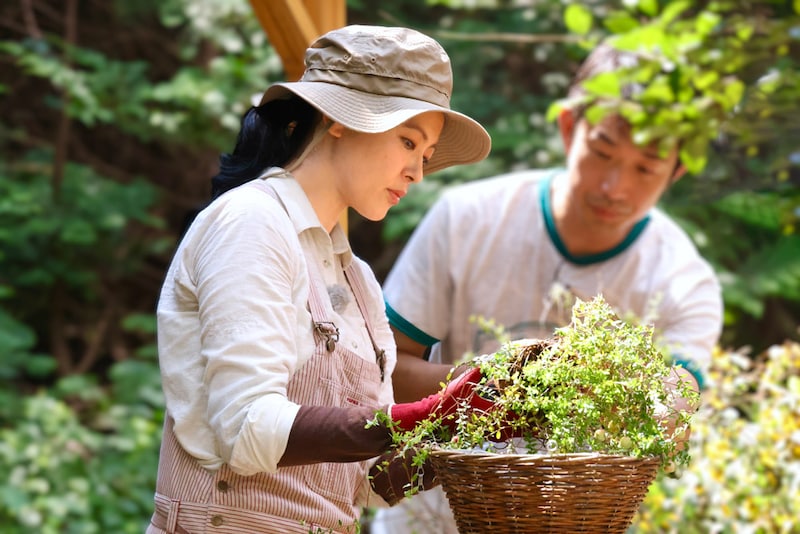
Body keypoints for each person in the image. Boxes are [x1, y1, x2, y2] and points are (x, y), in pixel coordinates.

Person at [146, 25, 494, 534]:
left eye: (424, 155)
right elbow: (245, 429)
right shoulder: (252, 222)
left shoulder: (359, 282)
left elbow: (372, 483)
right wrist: (423, 412)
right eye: (407, 141)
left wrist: (473, 423)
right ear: (337, 118)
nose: (418, 172)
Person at [370, 41, 724, 533]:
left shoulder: (682, 280)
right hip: (432, 521)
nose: (615, 187)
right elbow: (382, 371)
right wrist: (508, 387)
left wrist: (666, 408)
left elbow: (679, 398)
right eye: (602, 153)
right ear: (567, 127)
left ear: (677, 170)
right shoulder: (466, 219)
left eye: (646, 168)